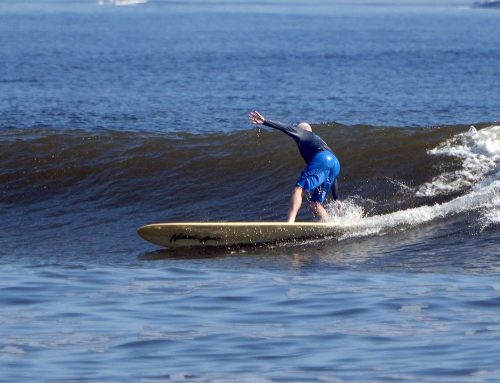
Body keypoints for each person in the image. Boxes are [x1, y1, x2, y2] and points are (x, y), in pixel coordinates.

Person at [248, 111, 340, 223]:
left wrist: (265, 122)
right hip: (335, 163)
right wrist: (336, 198)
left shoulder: (304, 134)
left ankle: (290, 222)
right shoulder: (319, 142)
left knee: (298, 189)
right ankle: (331, 223)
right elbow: (333, 176)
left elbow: (286, 128)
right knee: (315, 203)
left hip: (322, 159)